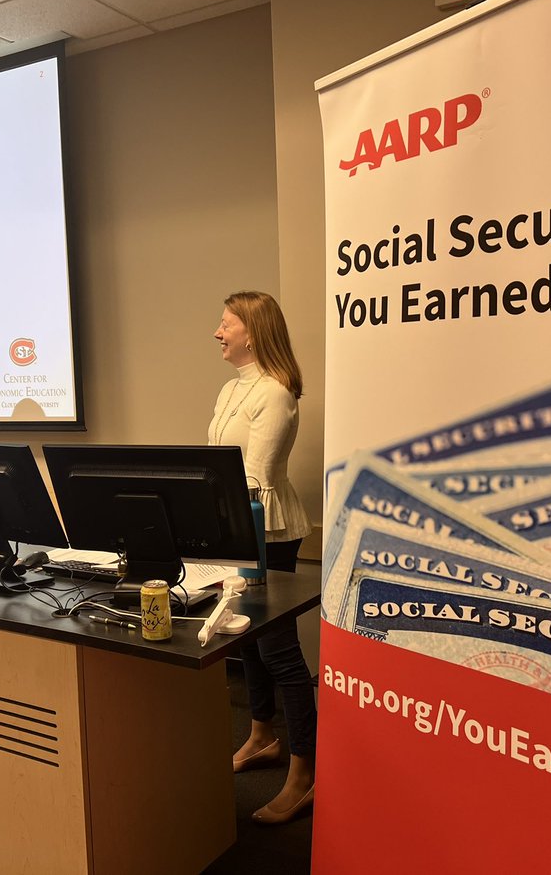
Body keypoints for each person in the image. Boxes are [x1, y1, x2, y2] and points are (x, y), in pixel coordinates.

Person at [208, 291, 315, 825]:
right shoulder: (232, 387)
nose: (217, 332)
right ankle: (261, 737)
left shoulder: (274, 393)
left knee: (278, 651)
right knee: (244, 643)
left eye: (226, 323)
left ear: (253, 330)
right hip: (235, 530)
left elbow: (258, 479)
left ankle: (303, 773)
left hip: (266, 532)